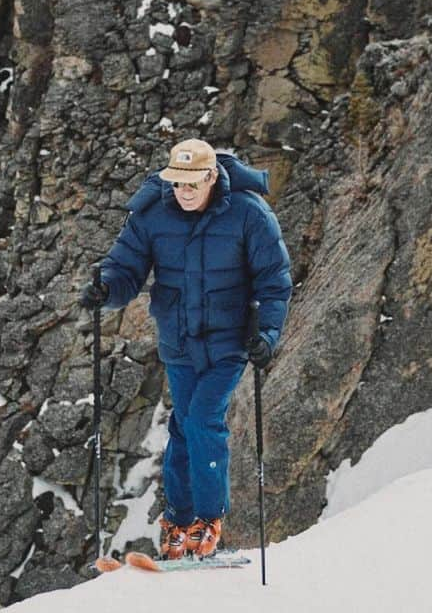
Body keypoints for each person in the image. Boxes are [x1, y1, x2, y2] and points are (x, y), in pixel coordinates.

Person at [80, 138, 292, 560]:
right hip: (178, 342)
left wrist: (267, 334)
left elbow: (274, 280)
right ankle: (177, 521)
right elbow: (126, 268)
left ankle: (209, 519)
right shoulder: (152, 215)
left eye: (192, 183)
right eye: (177, 183)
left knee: (201, 420)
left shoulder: (249, 213)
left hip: (230, 341)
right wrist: (106, 288)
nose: (184, 191)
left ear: (212, 176)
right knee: (181, 427)